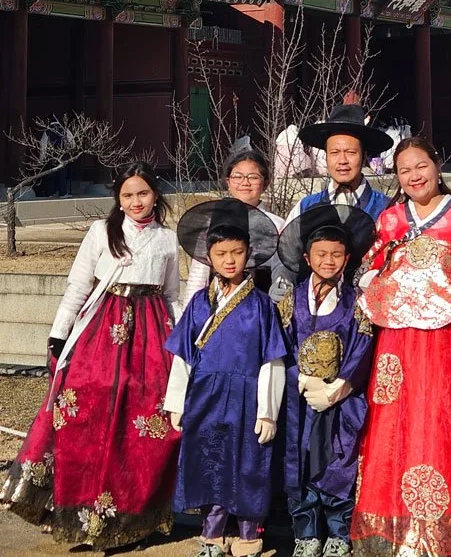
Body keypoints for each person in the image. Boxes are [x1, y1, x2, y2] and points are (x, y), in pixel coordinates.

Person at [0, 161, 181, 550]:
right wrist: (58, 333)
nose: (136, 201)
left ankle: (134, 514)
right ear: (118, 198)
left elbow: (171, 296)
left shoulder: (167, 239)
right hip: (100, 330)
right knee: (83, 410)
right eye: (128, 195)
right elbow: (79, 285)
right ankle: (70, 507)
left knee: (142, 420)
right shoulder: (101, 232)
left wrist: (180, 345)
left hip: (150, 337)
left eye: (143, 193)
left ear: (155, 195)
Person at [351, 136, 451, 557]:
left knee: (448, 419)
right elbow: (373, 267)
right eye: (404, 170)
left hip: (450, 340)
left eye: (421, 166)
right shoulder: (390, 220)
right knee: (396, 421)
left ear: (437, 166)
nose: (414, 176)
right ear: (396, 178)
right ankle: (397, 529)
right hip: (397, 341)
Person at [164, 199, 287, 557]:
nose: (229, 260)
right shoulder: (200, 302)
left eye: (237, 252)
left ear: (248, 253)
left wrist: (268, 411)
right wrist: (176, 402)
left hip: (248, 398)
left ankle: (249, 536)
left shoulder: (262, 305)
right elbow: (184, 358)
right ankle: (212, 535)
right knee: (210, 463)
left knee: (248, 465)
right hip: (205, 396)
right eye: (221, 253)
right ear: (210, 257)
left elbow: (272, 362)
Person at [277, 203, 376, 557]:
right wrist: (300, 379)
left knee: (340, 461)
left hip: (341, 401)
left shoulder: (357, 304)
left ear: (347, 258)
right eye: (321, 254)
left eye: (336, 254)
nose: (329, 261)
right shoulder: (291, 302)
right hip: (299, 400)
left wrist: (340, 386)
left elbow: (363, 346)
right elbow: (281, 346)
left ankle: (338, 532)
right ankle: (305, 533)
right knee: (300, 461)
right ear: (307, 258)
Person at [271, 104, 392, 303]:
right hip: (314, 308)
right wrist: (282, 281)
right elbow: (286, 253)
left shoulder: (387, 209)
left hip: (372, 307)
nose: (342, 160)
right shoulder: (306, 206)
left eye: (350, 153)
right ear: (326, 157)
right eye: (334, 153)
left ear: (363, 157)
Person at [184, 147, 285, 303]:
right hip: (219, 302)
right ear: (228, 182)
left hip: (261, 303)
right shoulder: (211, 220)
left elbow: (281, 272)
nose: (245, 182)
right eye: (238, 176)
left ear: (265, 183)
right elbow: (198, 276)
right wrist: (190, 311)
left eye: (253, 177)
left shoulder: (277, 225)